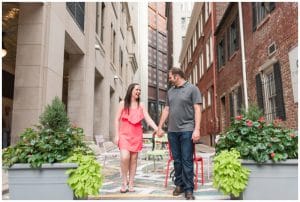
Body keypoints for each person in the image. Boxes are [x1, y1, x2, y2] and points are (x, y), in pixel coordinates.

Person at [157, 67, 202, 200]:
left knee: (187, 160)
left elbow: (197, 109)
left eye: (170, 77)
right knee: (177, 161)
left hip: (187, 130)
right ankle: (179, 185)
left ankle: (189, 189)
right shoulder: (170, 91)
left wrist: (197, 129)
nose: (169, 79)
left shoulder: (193, 89)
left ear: (177, 76)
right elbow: (166, 109)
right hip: (172, 131)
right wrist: (159, 127)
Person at [114, 83, 158, 193]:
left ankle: (131, 183)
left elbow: (148, 119)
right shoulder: (122, 104)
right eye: (136, 89)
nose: (138, 92)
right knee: (125, 157)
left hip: (136, 135)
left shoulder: (141, 105)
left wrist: (157, 128)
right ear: (131, 90)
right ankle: (124, 181)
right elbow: (116, 119)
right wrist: (116, 135)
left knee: (133, 160)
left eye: (140, 90)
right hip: (124, 135)